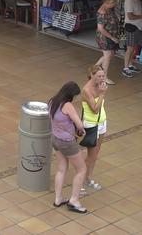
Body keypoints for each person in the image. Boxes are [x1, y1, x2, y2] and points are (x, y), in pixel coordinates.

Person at [48, 81, 88, 213]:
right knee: (81, 169)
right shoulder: (68, 106)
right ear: (70, 94)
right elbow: (79, 124)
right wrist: (81, 130)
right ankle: (74, 200)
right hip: (67, 142)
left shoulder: (52, 101)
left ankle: (58, 198)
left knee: (61, 169)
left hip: (55, 138)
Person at [79, 65, 110, 195]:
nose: (102, 79)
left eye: (103, 76)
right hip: (91, 125)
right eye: (99, 76)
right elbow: (95, 108)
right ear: (92, 75)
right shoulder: (86, 90)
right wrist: (102, 94)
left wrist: (101, 92)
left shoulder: (100, 86)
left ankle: (88, 178)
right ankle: (79, 184)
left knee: (96, 154)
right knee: (90, 156)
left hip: (102, 123)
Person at [122, 0, 142, 78]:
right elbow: (130, 16)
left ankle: (130, 65)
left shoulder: (137, 0)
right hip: (131, 27)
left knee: (133, 48)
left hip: (138, 27)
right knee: (129, 48)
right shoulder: (129, 1)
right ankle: (125, 68)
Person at [93, 0, 119, 84]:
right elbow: (101, 28)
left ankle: (95, 68)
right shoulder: (102, 12)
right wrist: (112, 37)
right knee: (107, 57)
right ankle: (104, 77)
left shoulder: (109, 9)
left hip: (110, 36)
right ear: (107, 2)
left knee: (111, 55)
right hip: (104, 37)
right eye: (113, 3)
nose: (114, 5)